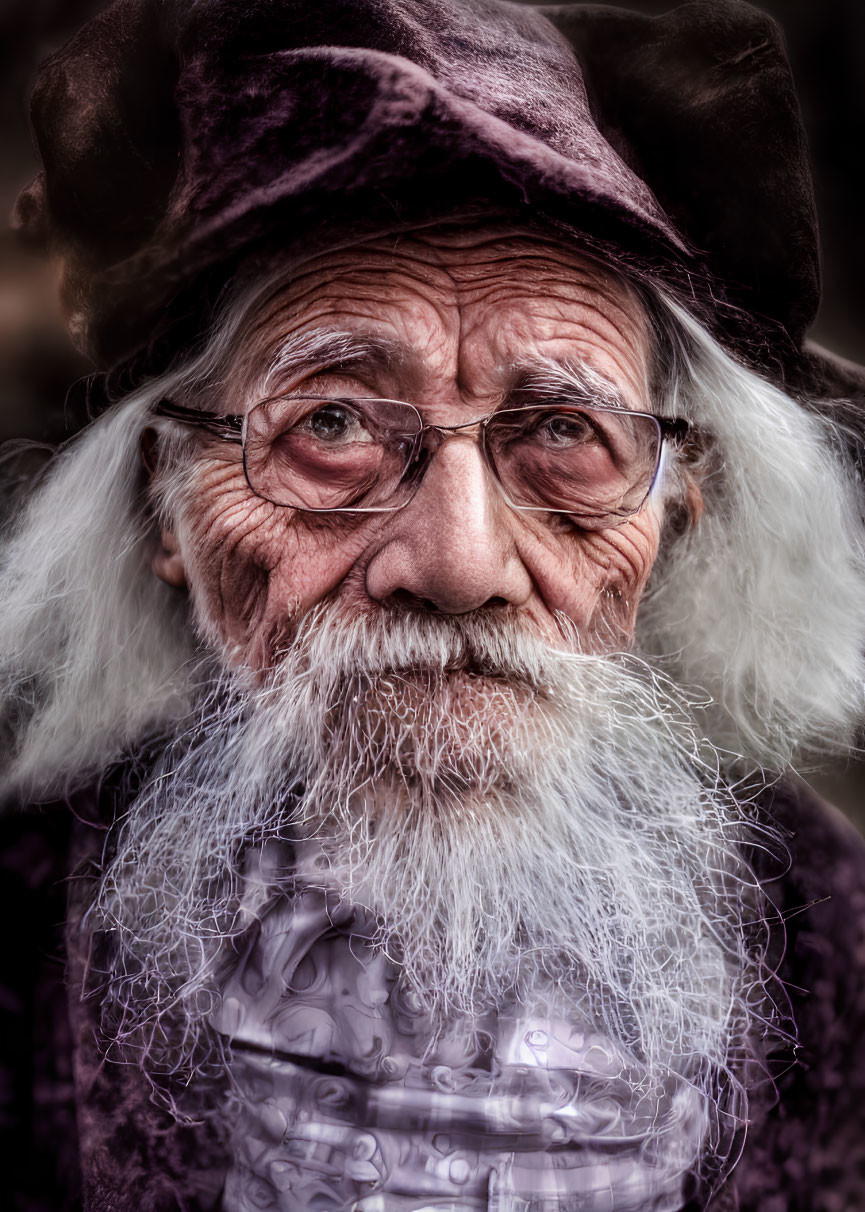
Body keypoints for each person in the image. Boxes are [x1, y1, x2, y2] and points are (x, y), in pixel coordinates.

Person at [3, 0, 865, 1208]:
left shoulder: (835, 940)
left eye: (566, 431)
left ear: (679, 500)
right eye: (333, 426)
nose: (461, 565)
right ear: (165, 504)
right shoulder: (18, 920)